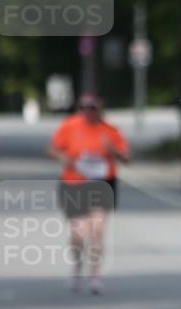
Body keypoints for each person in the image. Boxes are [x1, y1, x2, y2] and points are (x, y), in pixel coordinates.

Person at [46, 92, 131, 294]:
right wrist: (64, 158)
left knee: (97, 230)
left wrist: (113, 150)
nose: (89, 111)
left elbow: (127, 158)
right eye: (85, 107)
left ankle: (94, 277)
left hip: (102, 183)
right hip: (74, 183)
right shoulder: (70, 126)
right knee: (78, 234)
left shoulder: (110, 130)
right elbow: (52, 149)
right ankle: (76, 267)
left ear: (100, 108)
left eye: (93, 107)